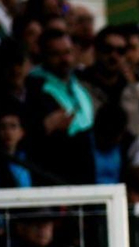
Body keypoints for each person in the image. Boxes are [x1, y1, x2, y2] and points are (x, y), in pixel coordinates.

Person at [24, 28, 96, 185]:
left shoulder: (78, 85)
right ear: (43, 55)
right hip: (57, 173)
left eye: (68, 52)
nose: (65, 59)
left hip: (87, 168)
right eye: (56, 54)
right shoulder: (35, 88)